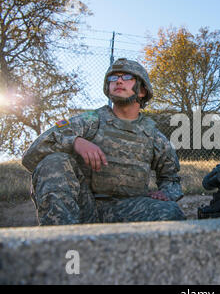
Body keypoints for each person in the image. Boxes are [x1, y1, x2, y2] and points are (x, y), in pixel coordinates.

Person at [22, 58, 186, 225]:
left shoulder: (153, 136)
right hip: (82, 207)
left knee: (170, 211)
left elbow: (171, 178)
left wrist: (166, 193)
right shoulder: (90, 120)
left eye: (127, 77)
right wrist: (75, 142)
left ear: (142, 91)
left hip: (129, 210)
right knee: (54, 162)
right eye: (113, 78)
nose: (119, 81)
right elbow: (32, 155)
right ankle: (62, 243)